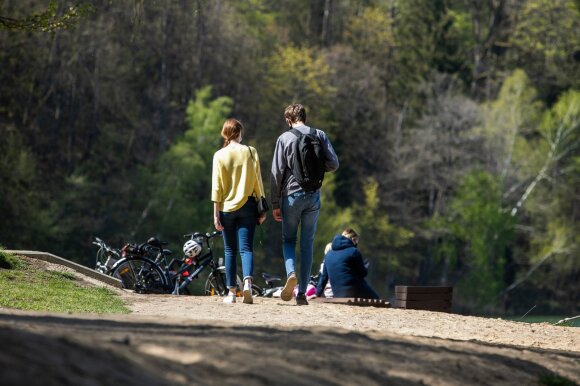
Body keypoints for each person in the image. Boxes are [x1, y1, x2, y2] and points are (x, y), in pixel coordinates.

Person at [270, 104, 339, 305]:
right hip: (313, 195)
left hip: (290, 196)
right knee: (307, 243)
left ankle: (291, 274)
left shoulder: (284, 138)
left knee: (289, 240)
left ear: (288, 120)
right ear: (304, 117)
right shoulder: (320, 134)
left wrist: (275, 202)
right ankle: (302, 293)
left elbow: (276, 173)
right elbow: (334, 163)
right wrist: (317, 169)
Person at [212, 118, 266, 304]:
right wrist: (262, 205)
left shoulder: (219, 155)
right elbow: (257, 181)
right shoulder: (251, 152)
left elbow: (216, 187)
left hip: (226, 208)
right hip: (248, 206)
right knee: (246, 248)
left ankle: (231, 293)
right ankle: (248, 284)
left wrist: (216, 213)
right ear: (238, 132)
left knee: (229, 250)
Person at [316, 228, 379, 300]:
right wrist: (365, 267)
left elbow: (324, 278)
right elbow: (362, 274)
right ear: (353, 239)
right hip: (353, 290)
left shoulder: (328, 255)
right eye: (356, 240)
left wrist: (317, 294)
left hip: (337, 293)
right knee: (376, 298)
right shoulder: (354, 251)